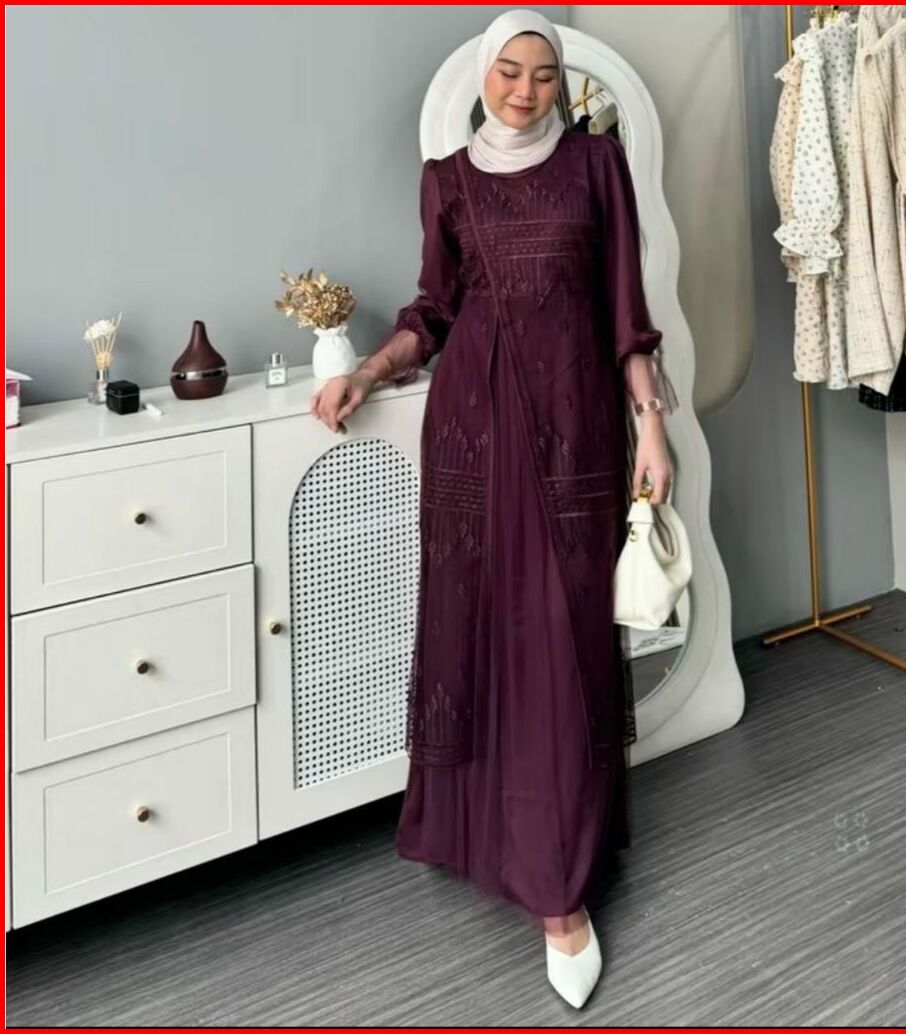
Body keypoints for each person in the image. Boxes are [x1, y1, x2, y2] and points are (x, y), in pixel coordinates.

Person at [310, 9, 676, 1009]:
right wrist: (367, 371)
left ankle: (561, 887)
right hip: (471, 433)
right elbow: (434, 308)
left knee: (564, 643)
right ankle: (481, 832)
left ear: (561, 84)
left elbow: (625, 309)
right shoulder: (446, 180)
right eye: (508, 71)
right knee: (480, 633)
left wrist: (650, 425)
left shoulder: (595, 165)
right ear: (484, 77)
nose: (524, 90)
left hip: (577, 428)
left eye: (542, 74)